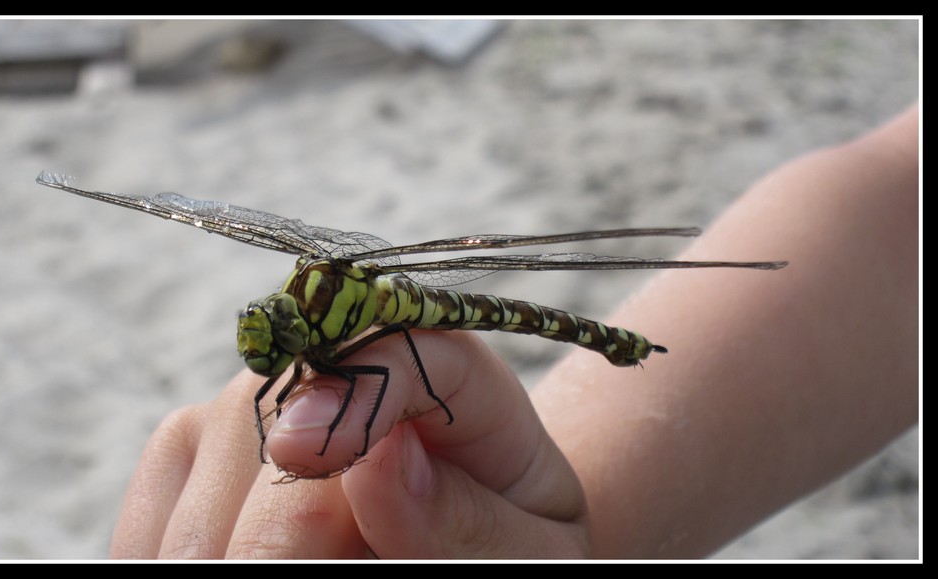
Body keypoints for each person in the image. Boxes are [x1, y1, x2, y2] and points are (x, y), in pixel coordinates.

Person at [109, 104, 919, 559]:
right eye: (268, 340)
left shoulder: (337, 325)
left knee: (396, 367)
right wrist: (581, 528)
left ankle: (619, 343)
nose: (270, 351)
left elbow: (389, 374)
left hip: (437, 322)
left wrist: (421, 406)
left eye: (276, 335)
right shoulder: (299, 331)